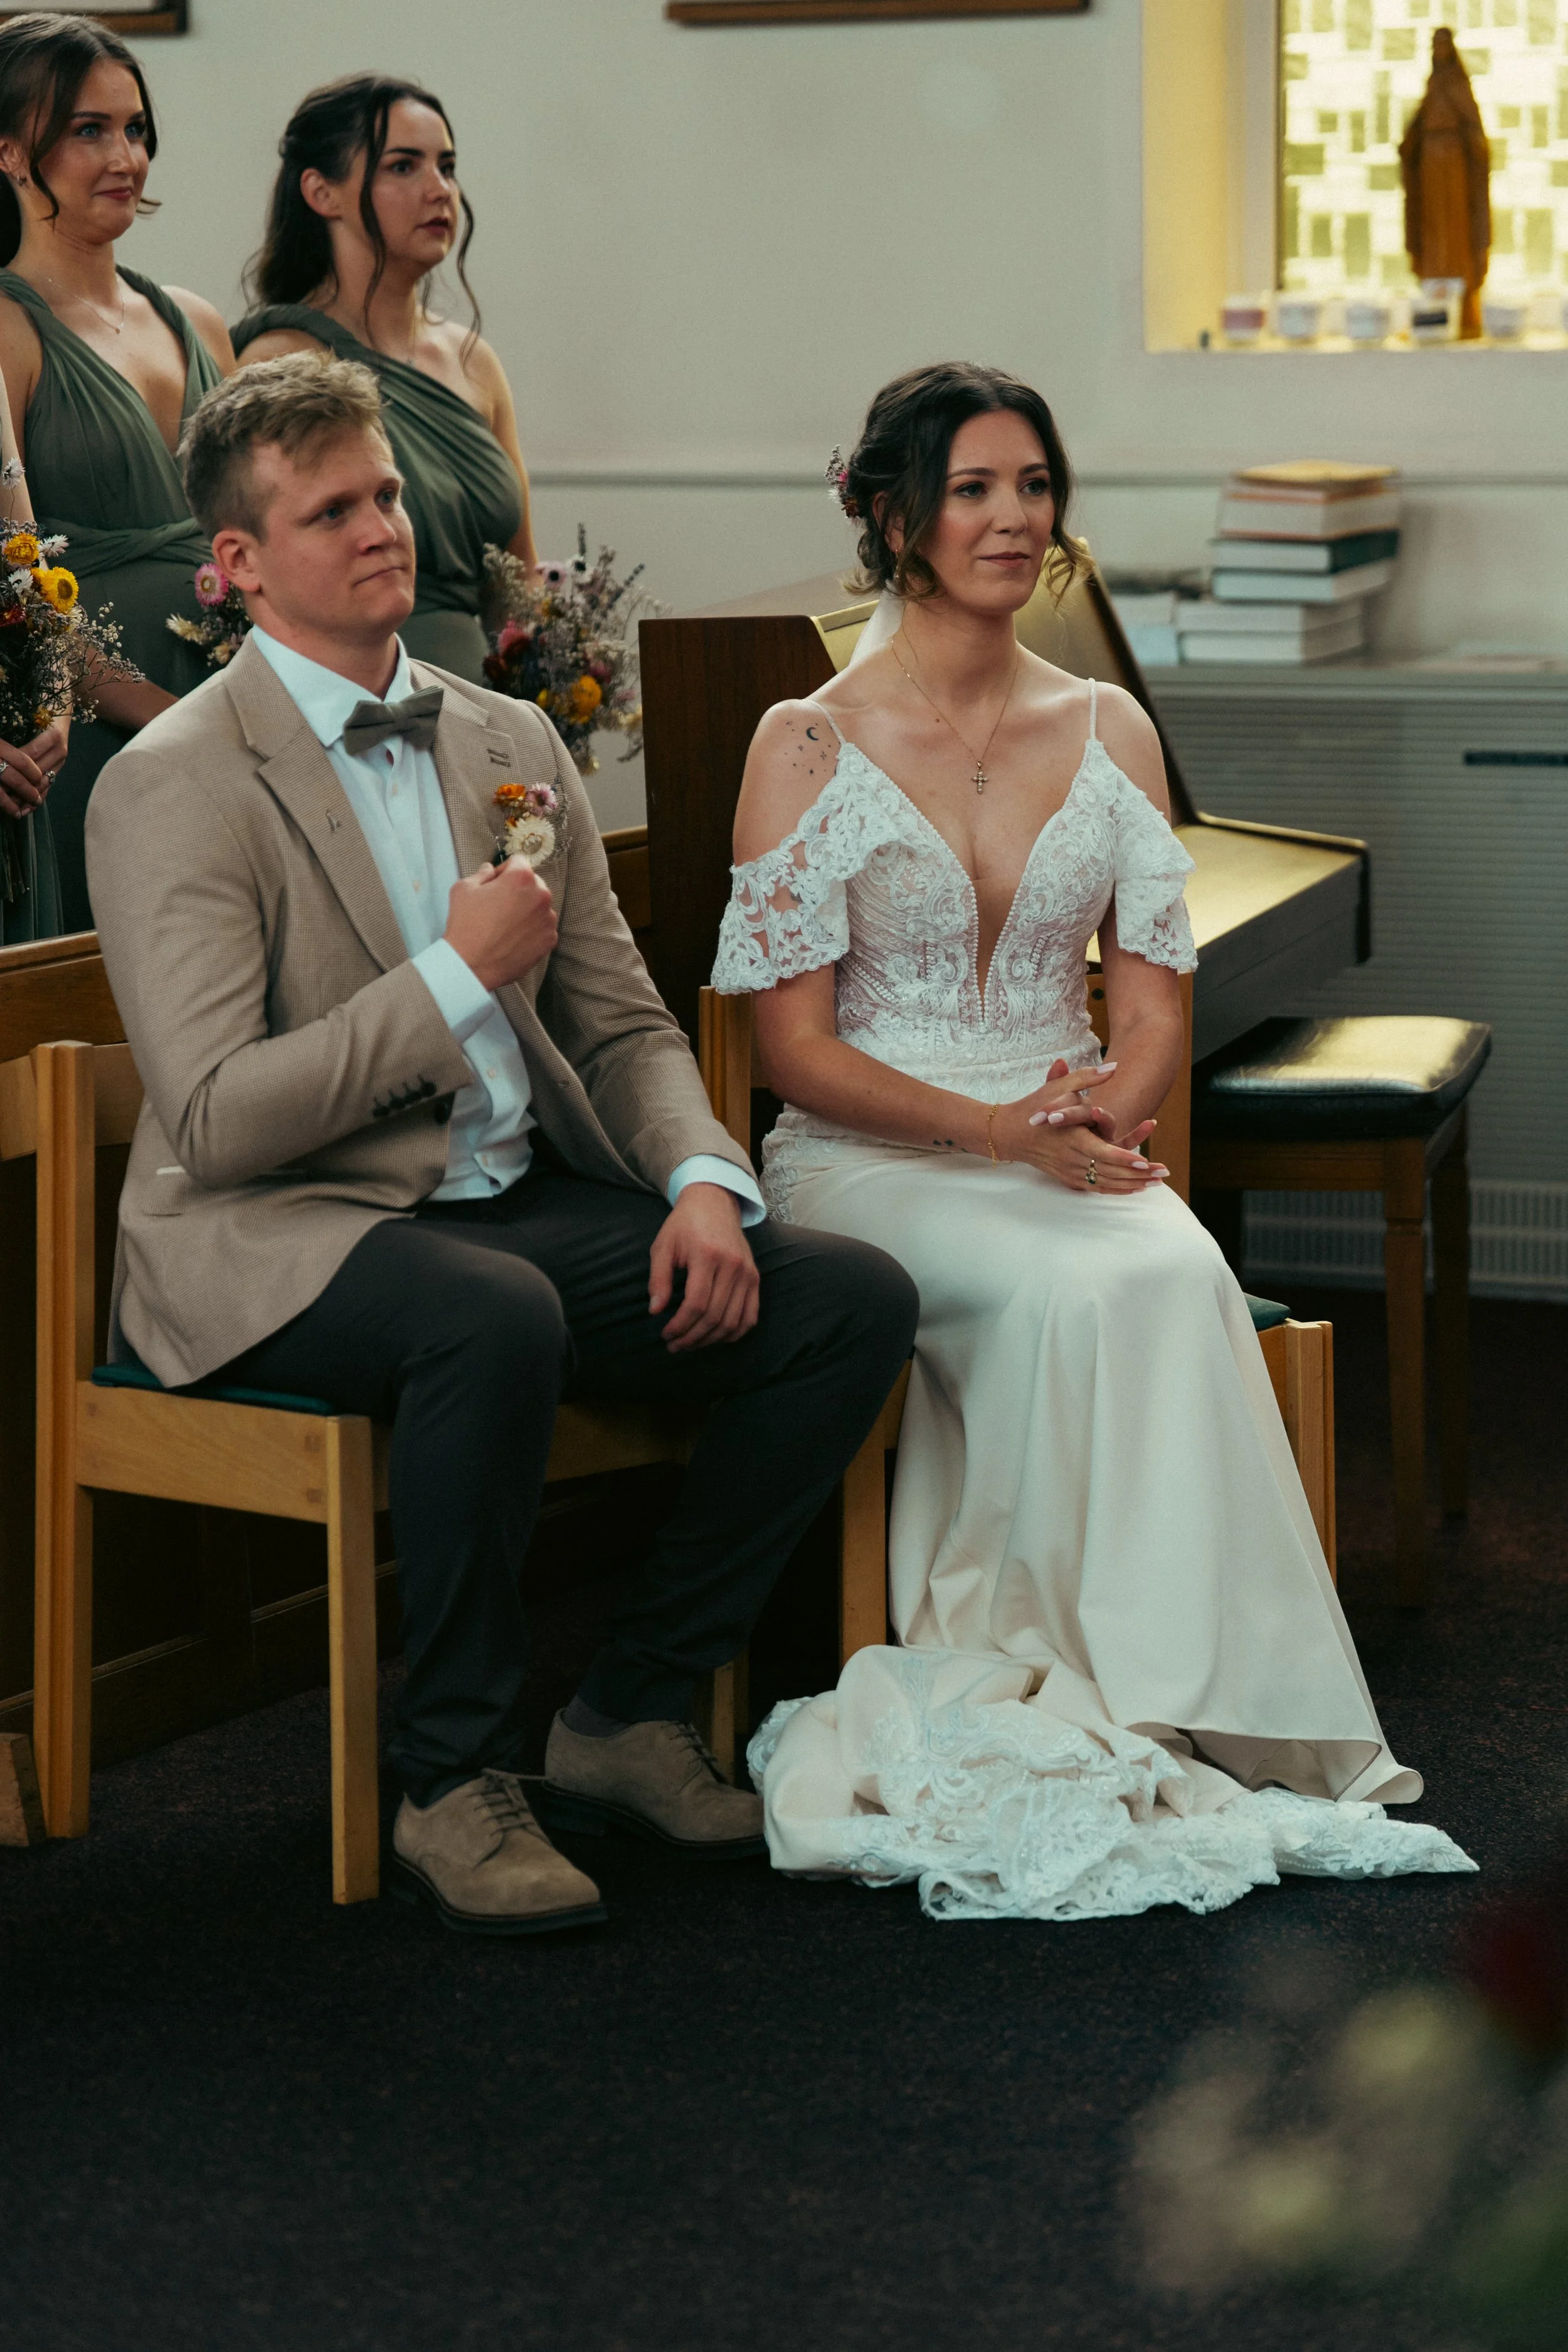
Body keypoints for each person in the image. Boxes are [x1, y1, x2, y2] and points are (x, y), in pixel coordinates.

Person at [85, 353, 918, 1937]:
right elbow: (215, 1118)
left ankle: (625, 1705)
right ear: (238, 563)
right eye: (331, 509)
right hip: (284, 1229)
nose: (381, 526)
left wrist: (697, 1181)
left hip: (511, 1196)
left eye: (386, 491)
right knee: (491, 1313)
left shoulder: (503, 735)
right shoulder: (173, 783)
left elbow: (620, 1023)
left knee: (849, 1298)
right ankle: (446, 1779)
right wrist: (455, 975)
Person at [714, 361, 1473, 1920]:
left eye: (1034, 485)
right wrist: (1000, 1129)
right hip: (879, 1160)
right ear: (893, 514)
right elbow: (790, 1050)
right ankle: (1078, 1677)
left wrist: (1111, 1106)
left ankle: (1199, 1692)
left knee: (1169, 1263)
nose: (1011, 518)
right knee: (1084, 1289)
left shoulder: (1108, 723)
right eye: (975, 488)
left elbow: (1154, 1002)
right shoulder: (804, 740)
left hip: (1057, 1138)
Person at [0, 11, 235, 935]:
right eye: (88, 131)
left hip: (228, 705)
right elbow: (16, 574)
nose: (125, 156)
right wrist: (176, 716)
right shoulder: (9, 327)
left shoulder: (199, 321)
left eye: (135, 129)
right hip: (90, 732)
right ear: (13, 153)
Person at [231, 74, 538, 686]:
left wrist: (542, 695)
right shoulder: (280, 363)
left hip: (487, 698)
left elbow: (519, 576)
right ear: (322, 193)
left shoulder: (473, 360)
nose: (439, 190)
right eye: (403, 167)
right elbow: (261, 580)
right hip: (349, 692)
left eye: (446, 166)